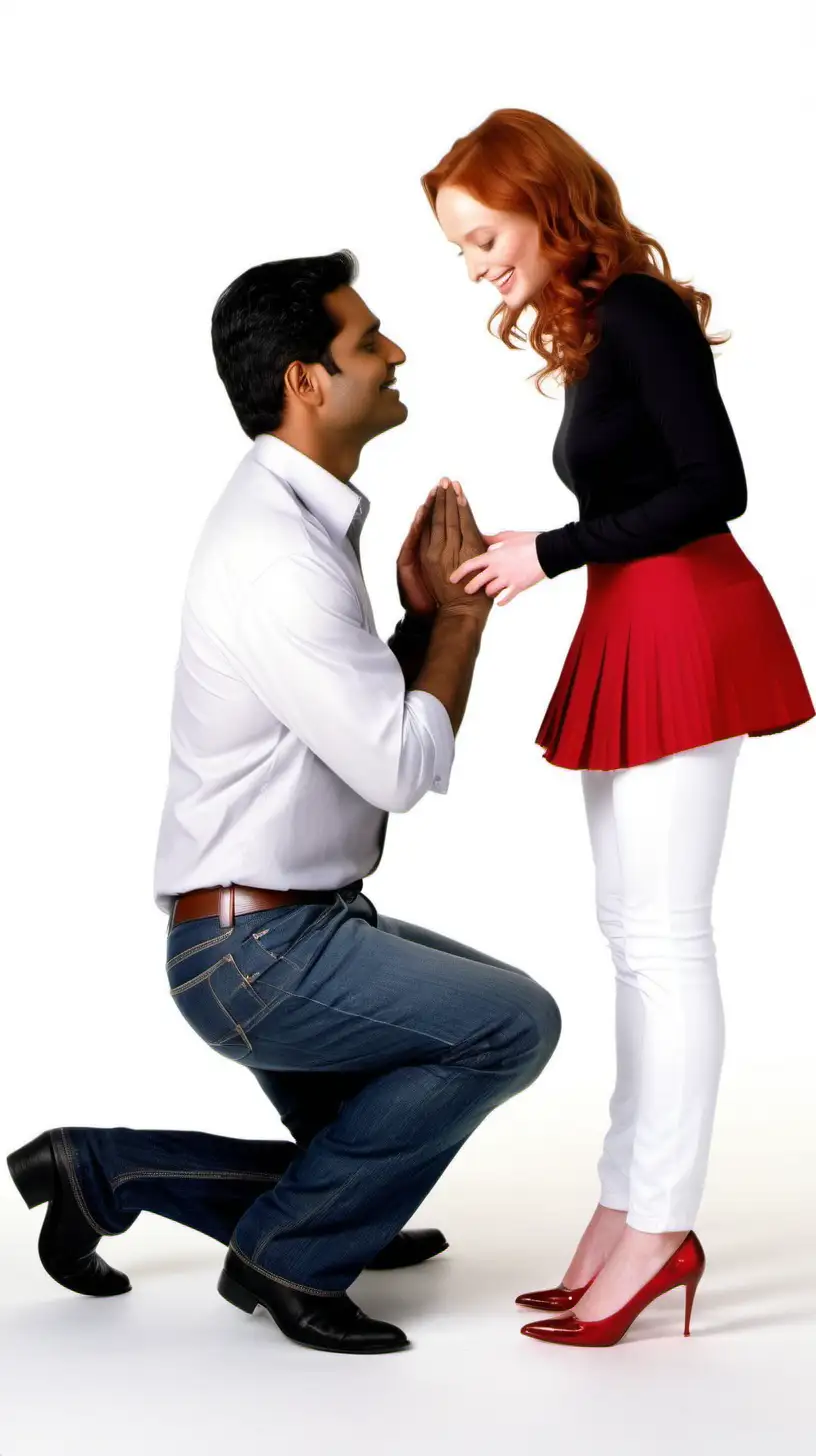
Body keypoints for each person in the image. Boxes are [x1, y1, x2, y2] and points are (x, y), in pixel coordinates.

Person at [6, 250, 561, 1356]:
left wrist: (409, 624)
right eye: (367, 341)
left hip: (289, 926)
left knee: (434, 1072)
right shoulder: (276, 553)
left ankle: (138, 1173)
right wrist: (456, 625)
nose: (395, 352)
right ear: (307, 381)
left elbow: (346, 725)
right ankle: (297, 1247)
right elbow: (399, 767)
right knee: (514, 1026)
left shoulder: (295, 525)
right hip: (257, 952)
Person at [420, 108, 814, 1348]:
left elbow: (718, 486)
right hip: (637, 621)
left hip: (686, 627)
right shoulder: (604, 325)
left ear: (544, 202)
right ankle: (624, 1205)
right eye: (462, 247)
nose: (477, 263)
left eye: (484, 235)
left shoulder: (638, 310)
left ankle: (661, 1223)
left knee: (664, 939)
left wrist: (557, 549)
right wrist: (538, 542)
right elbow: (649, 484)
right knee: (634, 934)